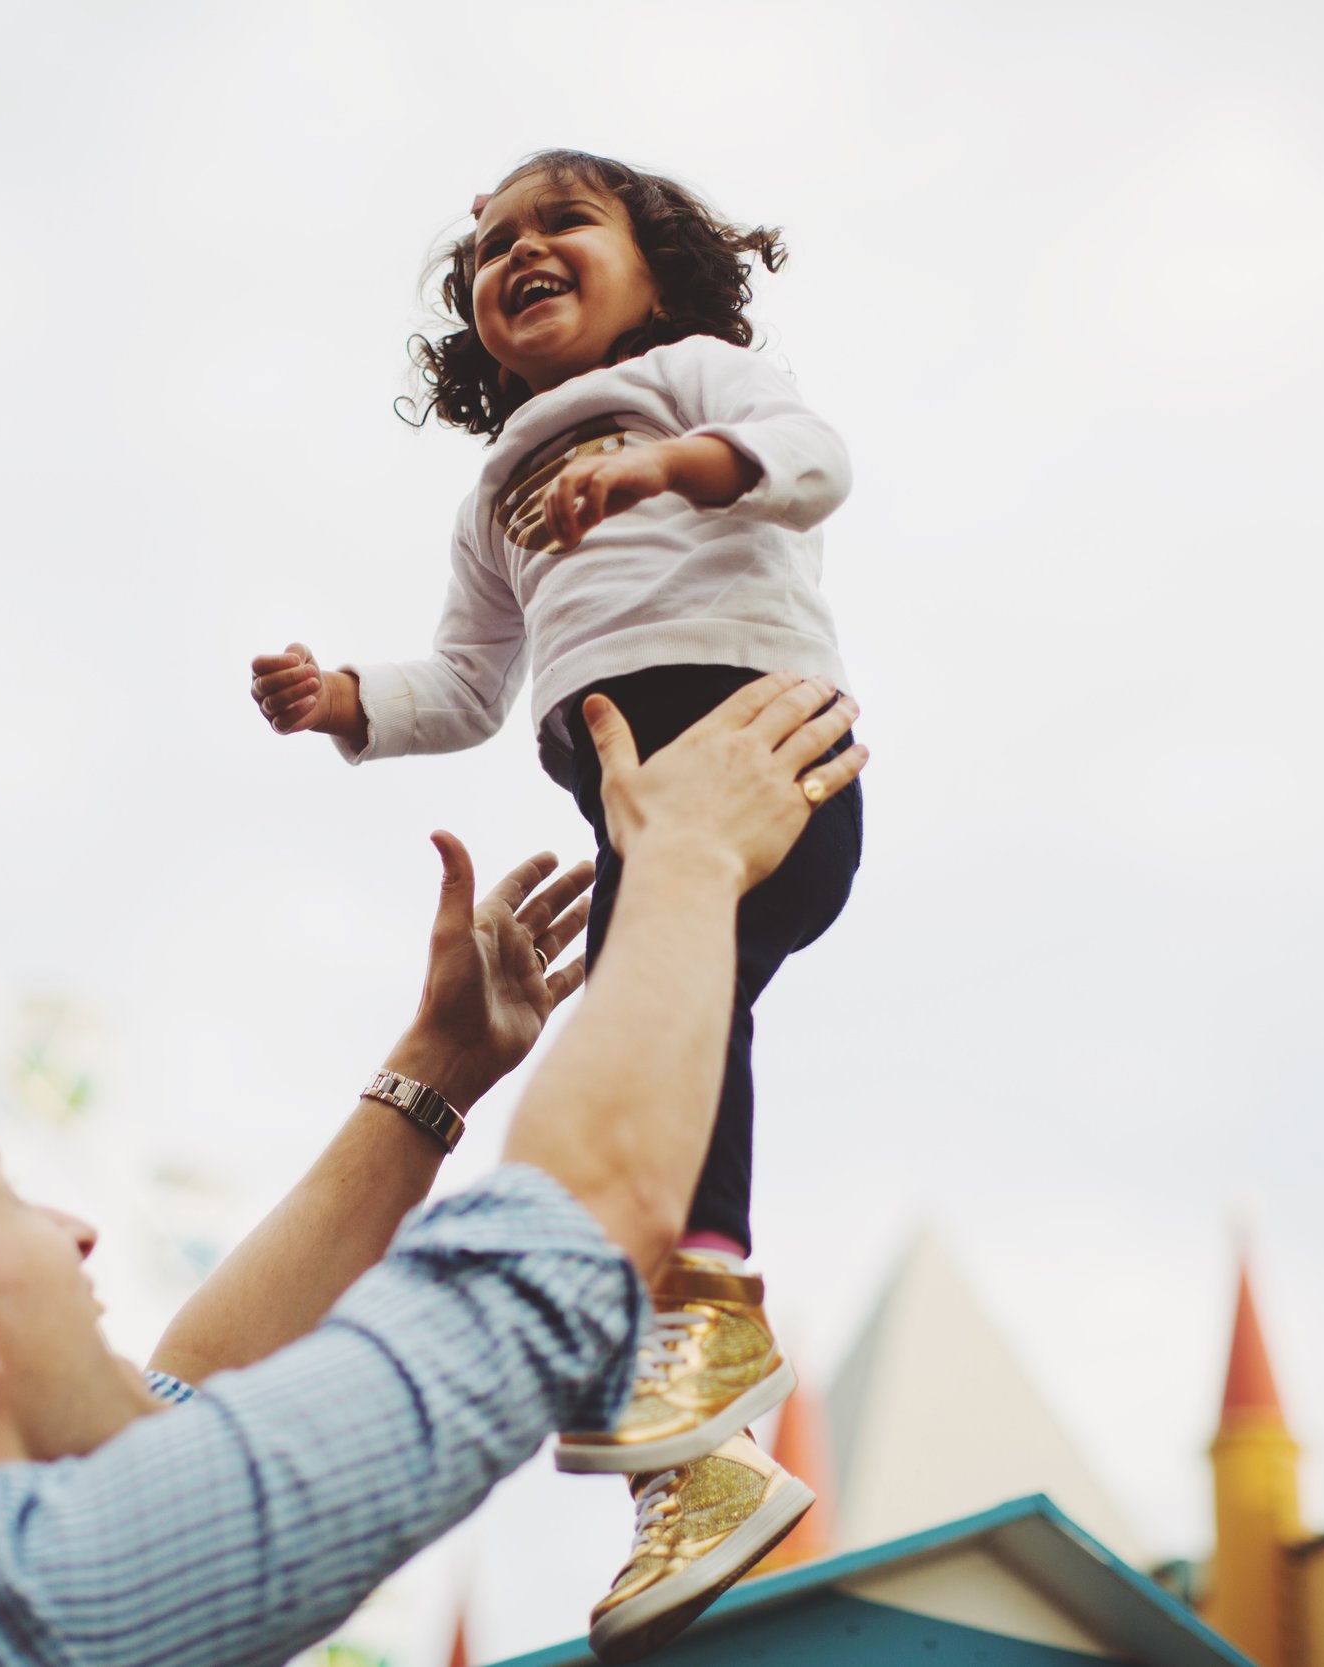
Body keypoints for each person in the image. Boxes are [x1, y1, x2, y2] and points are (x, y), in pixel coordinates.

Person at [0, 675, 865, 1667]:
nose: (79, 1230)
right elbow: (551, 1254)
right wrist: (689, 865)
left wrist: (432, 1076)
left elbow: (200, 1390)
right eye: (5, 1196)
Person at [247, 149, 861, 1610]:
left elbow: (819, 462)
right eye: (490, 245)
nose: (517, 249)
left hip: (758, 757)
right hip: (632, 796)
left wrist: (665, 464)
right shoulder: (499, 482)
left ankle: (701, 1311)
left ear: (658, 265)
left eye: (562, 220)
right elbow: (467, 680)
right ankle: (692, 1453)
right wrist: (346, 696)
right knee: (660, 1048)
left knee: (650, 1042)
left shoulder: (700, 375)